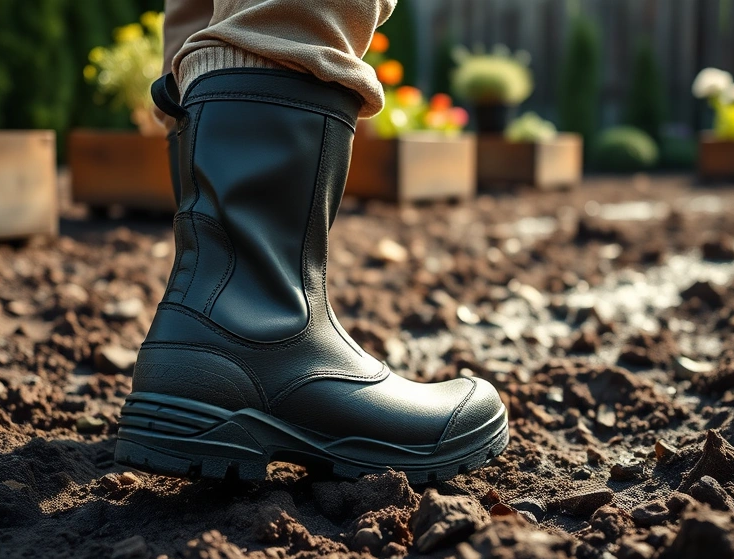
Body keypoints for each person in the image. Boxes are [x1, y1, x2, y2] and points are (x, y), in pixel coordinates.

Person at [115, 0, 509, 483]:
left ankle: (201, 355)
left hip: (187, 350)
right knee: (287, 17)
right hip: (262, 356)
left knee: (206, 13)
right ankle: (268, 348)